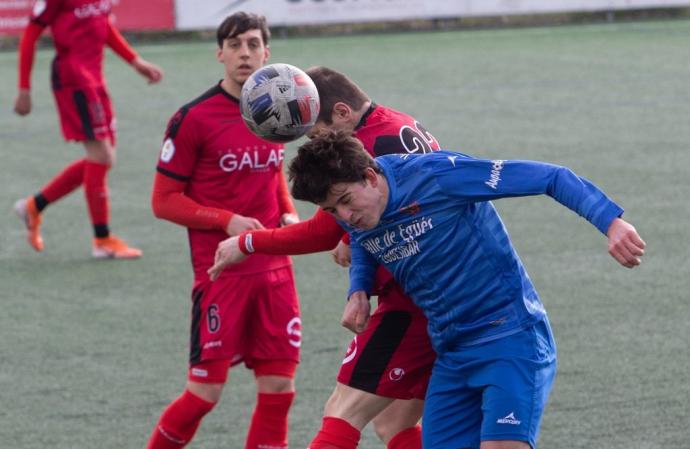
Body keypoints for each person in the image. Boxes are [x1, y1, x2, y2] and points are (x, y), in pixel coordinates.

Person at [221, 130, 646, 449]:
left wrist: (611, 222)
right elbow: (366, 241)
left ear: (371, 176)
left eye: (347, 201)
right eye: (333, 211)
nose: (345, 216)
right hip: (451, 352)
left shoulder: (438, 176)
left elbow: (551, 177)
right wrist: (359, 289)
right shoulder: (360, 213)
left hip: (509, 339)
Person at [209, 66, 439, 449]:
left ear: (343, 113)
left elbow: (321, 231)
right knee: (392, 421)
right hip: (438, 289)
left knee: (342, 410)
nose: (319, 143)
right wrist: (358, 262)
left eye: (318, 132)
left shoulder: (369, 145)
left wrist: (248, 243)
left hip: (415, 299)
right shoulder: (398, 123)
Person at [145, 12, 302, 449]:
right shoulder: (192, 118)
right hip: (220, 276)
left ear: (267, 52)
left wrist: (287, 213)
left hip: (274, 269)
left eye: (253, 44)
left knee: (279, 392)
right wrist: (225, 220)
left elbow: (272, 173)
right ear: (220, 54)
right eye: (235, 45)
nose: (245, 53)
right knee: (204, 394)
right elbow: (163, 202)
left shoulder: (274, 109)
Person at [13, 0, 163, 258]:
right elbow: (29, 36)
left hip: (94, 79)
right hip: (73, 80)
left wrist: (135, 61)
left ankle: (33, 206)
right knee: (102, 157)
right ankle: (102, 240)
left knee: (102, 159)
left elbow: (102, 26)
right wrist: (24, 89)